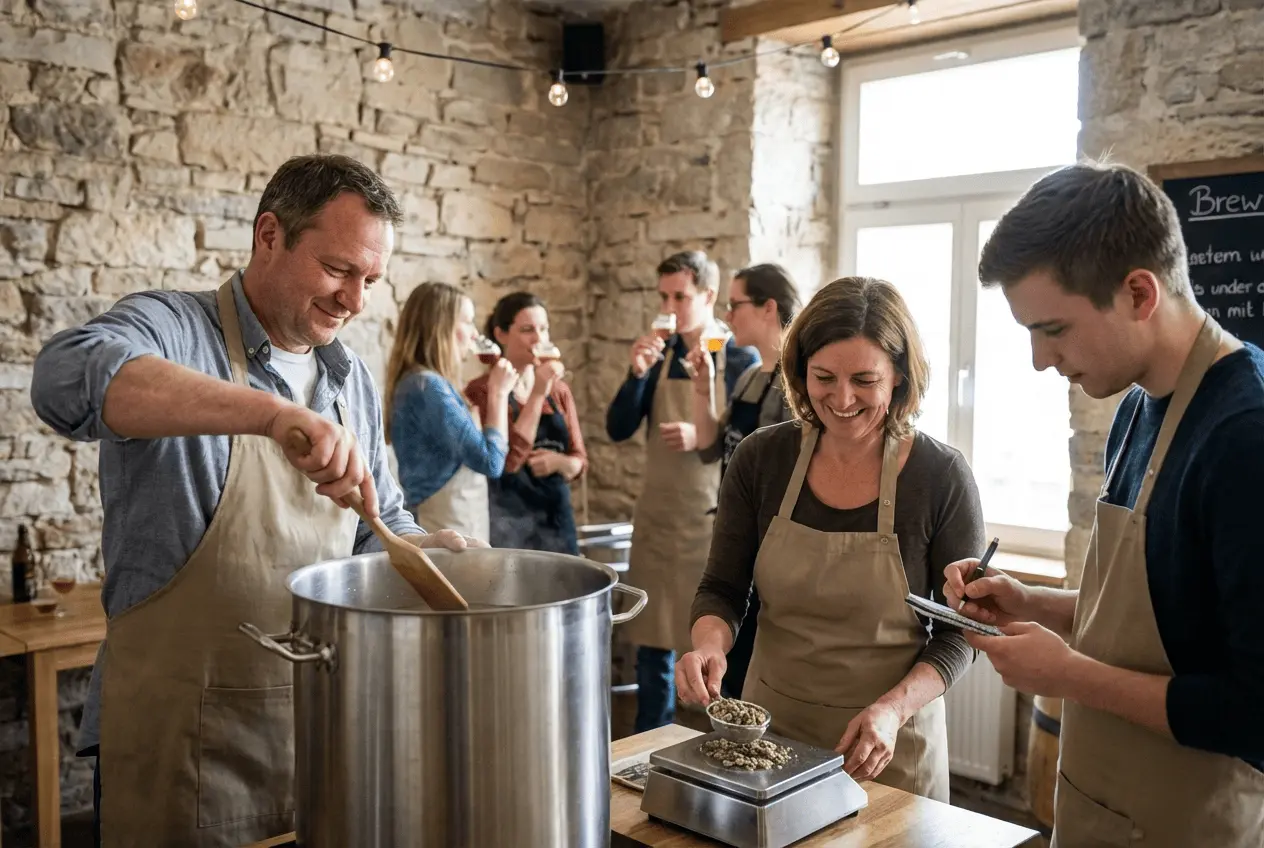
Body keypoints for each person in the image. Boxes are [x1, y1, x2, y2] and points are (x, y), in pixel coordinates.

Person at [29, 154, 475, 848]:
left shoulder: (348, 377)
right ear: (270, 234)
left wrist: (424, 551)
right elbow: (62, 380)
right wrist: (268, 414)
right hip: (182, 750)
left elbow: (374, 526)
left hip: (318, 735)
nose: (354, 300)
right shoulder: (176, 328)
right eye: (337, 269)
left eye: (369, 280)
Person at [944, 161, 1264, 845]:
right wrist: (1031, 602)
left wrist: (1070, 676)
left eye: (1053, 329)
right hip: (1103, 814)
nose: (1038, 359)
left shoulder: (1246, 438)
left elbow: (1255, 711)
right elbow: (1164, 621)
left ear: (1139, 293)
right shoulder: (1137, 407)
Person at [676, 276, 986, 801]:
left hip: (889, 747)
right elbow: (723, 588)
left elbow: (961, 632)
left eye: (865, 380)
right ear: (800, 373)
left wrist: (894, 709)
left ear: (900, 379)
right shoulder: (761, 460)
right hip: (768, 739)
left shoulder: (940, 475)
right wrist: (708, 647)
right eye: (823, 377)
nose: (841, 400)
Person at [605, 249, 758, 733]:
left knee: (709, 646)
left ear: (709, 296)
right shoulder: (657, 353)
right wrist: (635, 372)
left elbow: (747, 442)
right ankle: (648, 750)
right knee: (651, 646)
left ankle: (725, 747)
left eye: (681, 296)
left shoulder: (738, 358)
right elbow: (616, 427)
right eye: (664, 296)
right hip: (657, 515)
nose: (670, 308)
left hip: (709, 521)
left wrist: (702, 435)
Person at [685, 263, 801, 699]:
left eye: (736, 305)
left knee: (756, 664)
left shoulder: (801, 383)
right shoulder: (751, 377)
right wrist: (703, 387)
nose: (728, 316)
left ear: (769, 307)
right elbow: (710, 448)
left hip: (773, 542)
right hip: (738, 535)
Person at [385, 282, 518, 541]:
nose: (474, 334)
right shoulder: (428, 386)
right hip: (443, 522)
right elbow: (491, 461)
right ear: (441, 328)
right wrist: (499, 393)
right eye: (467, 322)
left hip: (454, 518)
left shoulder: (422, 382)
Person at [467, 292, 587, 554]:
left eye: (544, 329)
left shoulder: (559, 391)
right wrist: (537, 393)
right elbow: (508, 462)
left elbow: (580, 460)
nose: (539, 339)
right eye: (527, 330)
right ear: (500, 334)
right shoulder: (482, 392)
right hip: (508, 522)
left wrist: (561, 463)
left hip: (557, 519)